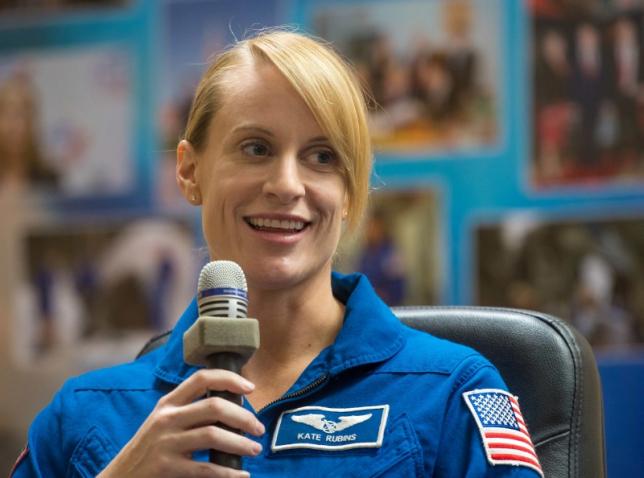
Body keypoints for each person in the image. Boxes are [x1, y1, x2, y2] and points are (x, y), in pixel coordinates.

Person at [12, 29, 543, 477]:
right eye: (256, 148)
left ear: (352, 191)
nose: (287, 185)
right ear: (190, 171)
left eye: (321, 156)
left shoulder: (449, 393)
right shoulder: (81, 419)